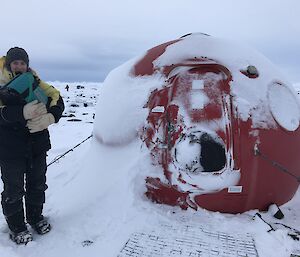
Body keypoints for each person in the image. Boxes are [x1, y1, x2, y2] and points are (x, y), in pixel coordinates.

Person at [0, 47, 64, 244]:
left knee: (37, 184)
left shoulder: (35, 81)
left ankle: (36, 218)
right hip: (10, 148)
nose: (19, 66)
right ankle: (17, 227)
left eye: (22, 63)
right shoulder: (2, 84)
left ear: (27, 64)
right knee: (14, 188)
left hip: (37, 144)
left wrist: (51, 117)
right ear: (9, 64)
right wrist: (21, 113)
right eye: (15, 63)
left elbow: (57, 99)